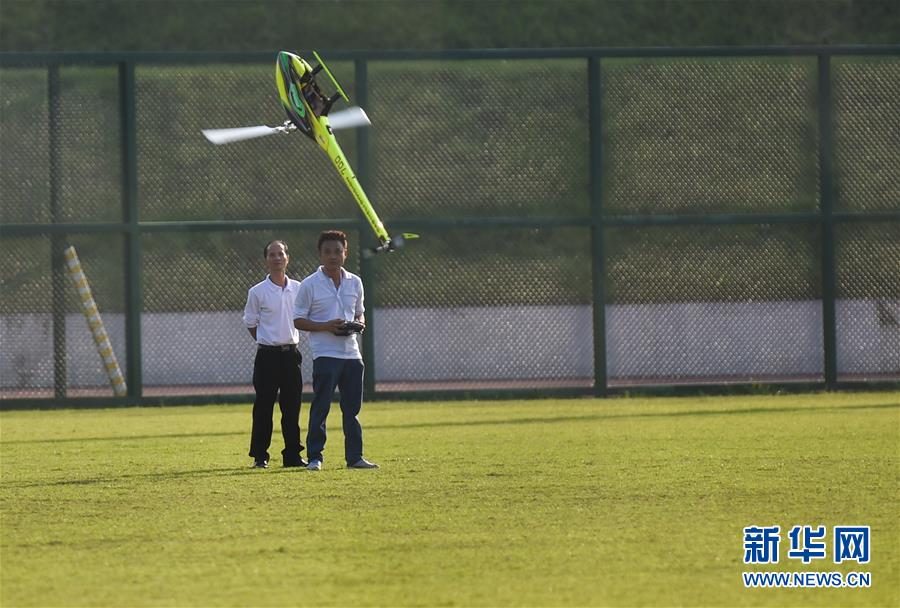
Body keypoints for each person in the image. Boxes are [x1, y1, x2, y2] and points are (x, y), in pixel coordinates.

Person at [293, 230, 378, 470]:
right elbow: (298, 320)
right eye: (328, 252)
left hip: (352, 354)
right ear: (320, 254)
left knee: (352, 410)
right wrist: (326, 327)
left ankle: (355, 457)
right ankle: (315, 457)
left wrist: (359, 323)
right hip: (325, 355)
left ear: (345, 253)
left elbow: (360, 311)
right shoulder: (309, 284)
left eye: (338, 251)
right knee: (321, 407)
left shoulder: (355, 281)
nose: (333, 256)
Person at [242, 240, 306, 469]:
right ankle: (260, 456)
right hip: (267, 357)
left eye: (281, 254)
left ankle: (292, 455)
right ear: (266, 260)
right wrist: (266, 340)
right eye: (272, 254)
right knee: (264, 407)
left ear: (287, 258)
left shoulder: (299, 288)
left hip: (291, 355)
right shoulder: (257, 292)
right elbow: (250, 323)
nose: (277, 258)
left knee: (292, 407)